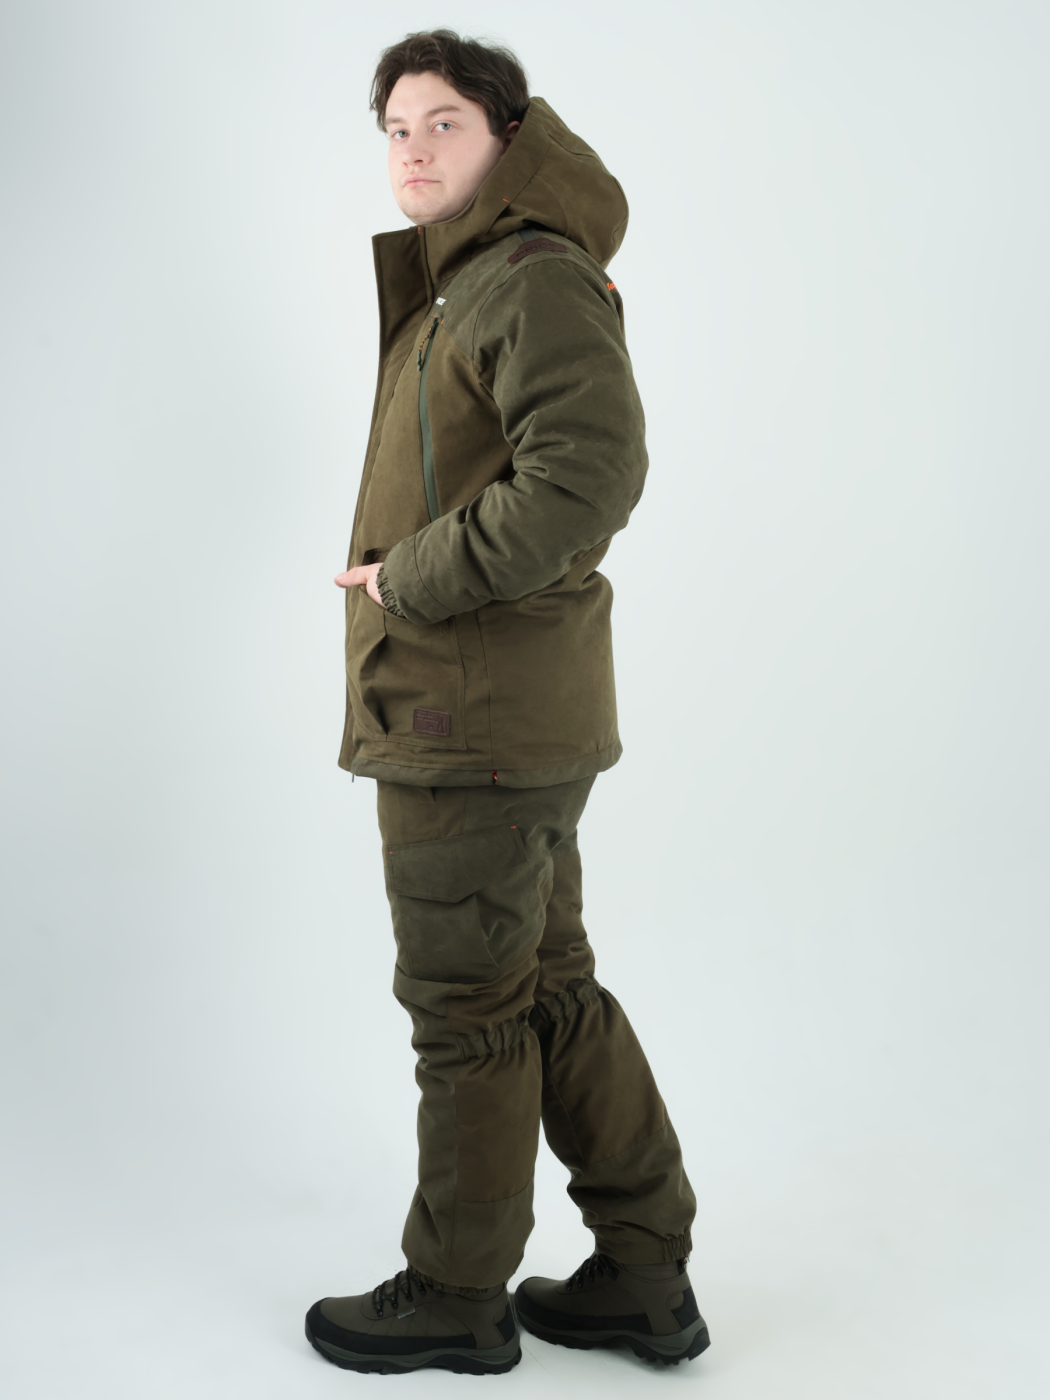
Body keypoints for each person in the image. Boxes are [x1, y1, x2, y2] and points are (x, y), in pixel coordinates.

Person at [304, 29, 708, 1377]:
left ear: (508, 139)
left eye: (446, 124)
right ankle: (642, 1273)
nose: (414, 148)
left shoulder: (527, 276)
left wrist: (407, 579)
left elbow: (584, 474)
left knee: (467, 1008)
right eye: (397, 126)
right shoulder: (472, 281)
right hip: (497, 712)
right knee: (543, 989)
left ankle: (457, 1293)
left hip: (466, 720)